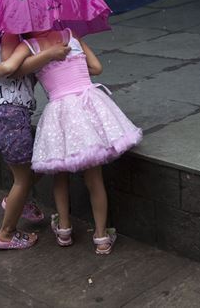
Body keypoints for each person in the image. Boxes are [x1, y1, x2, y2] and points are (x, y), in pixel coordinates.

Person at [16, 28, 142, 254]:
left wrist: (47, 60)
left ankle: (64, 229)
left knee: (60, 174)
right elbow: (97, 68)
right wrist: (74, 70)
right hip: (88, 106)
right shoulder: (71, 35)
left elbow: (19, 71)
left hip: (59, 113)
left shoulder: (30, 46)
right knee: (94, 178)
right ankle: (102, 237)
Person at [0, 30, 70, 250]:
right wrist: (50, 53)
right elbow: (11, 70)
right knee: (26, 177)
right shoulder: (10, 35)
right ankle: (6, 234)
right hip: (10, 116)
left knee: (37, 167)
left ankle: (15, 201)